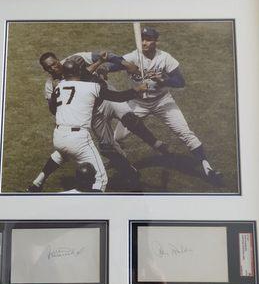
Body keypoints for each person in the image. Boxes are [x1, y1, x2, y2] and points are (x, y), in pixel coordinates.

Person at [27, 51, 167, 191]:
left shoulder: (59, 85)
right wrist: (138, 89)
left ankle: (36, 184)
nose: (53, 68)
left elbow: (85, 75)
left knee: (62, 154)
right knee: (102, 171)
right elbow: (116, 95)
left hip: (61, 133)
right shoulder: (84, 85)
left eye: (54, 64)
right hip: (89, 119)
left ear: (59, 61)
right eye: (49, 67)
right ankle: (127, 175)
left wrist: (101, 63)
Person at [113, 26, 221, 180]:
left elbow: (180, 82)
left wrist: (164, 80)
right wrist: (118, 65)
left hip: (162, 102)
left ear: (156, 41)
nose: (144, 43)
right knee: (116, 138)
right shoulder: (132, 57)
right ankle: (133, 161)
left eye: (148, 40)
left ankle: (207, 168)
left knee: (186, 133)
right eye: (142, 39)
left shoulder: (165, 58)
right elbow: (112, 65)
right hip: (137, 104)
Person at [46, 59, 146, 192]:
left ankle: (129, 173)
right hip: (79, 138)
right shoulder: (90, 87)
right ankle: (90, 202)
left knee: (90, 168)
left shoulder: (58, 87)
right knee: (100, 178)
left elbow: (53, 109)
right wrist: (137, 89)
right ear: (79, 72)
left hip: (58, 136)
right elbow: (118, 97)